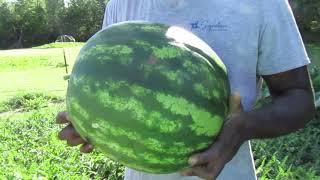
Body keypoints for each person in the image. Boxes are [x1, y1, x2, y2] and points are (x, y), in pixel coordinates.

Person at [56, 0, 316, 179]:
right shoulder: (122, 5)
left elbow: (299, 96)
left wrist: (243, 127)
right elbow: (115, 87)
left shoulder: (260, 4)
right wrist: (92, 121)